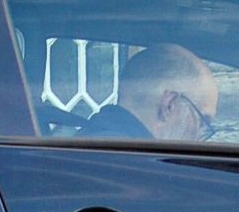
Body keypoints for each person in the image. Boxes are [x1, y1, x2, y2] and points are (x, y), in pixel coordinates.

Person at [78, 43, 219, 141]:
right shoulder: (139, 167)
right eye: (202, 121)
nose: (200, 138)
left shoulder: (86, 144)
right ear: (169, 105)